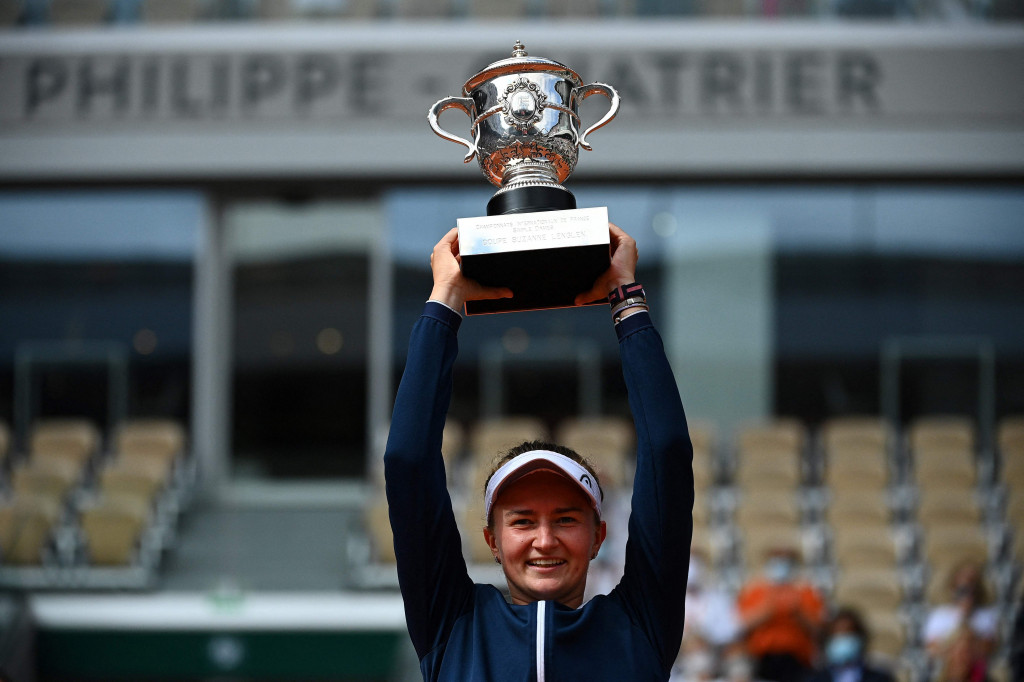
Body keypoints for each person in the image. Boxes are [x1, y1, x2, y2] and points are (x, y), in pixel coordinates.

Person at [384, 224, 694, 681]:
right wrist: (446, 297)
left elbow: (667, 450)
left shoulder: (638, 625)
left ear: (598, 536)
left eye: (566, 519)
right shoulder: (453, 624)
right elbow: (407, 461)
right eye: (523, 521)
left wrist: (625, 296)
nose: (544, 541)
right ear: (492, 540)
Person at [736, 546, 826, 682]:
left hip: (797, 659)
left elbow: (818, 630)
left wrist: (798, 613)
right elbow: (741, 625)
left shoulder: (807, 592)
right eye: (776, 560)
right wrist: (766, 610)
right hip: (762, 659)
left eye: (785, 561)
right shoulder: (756, 591)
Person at [923, 559, 999, 674]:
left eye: (971, 587)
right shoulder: (939, 615)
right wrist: (955, 652)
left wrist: (967, 616)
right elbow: (931, 649)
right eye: (962, 589)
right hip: (947, 668)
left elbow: (988, 648)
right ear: (953, 588)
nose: (966, 592)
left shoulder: (986, 616)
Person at [803, 607, 896, 682]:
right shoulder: (814, 679)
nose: (841, 639)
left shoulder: (880, 679)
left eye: (847, 634)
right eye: (836, 635)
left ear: (859, 638)